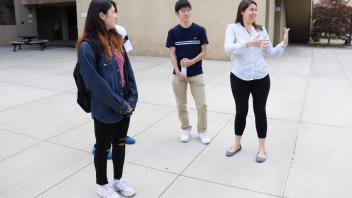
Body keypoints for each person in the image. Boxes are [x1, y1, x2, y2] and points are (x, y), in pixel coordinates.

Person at [77, 0, 137, 197]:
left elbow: (127, 71)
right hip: (106, 109)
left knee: (120, 144)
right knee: (103, 148)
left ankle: (118, 180)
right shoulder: (87, 46)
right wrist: (121, 105)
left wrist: (132, 100)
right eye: (113, 12)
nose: (116, 16)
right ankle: (102, 184)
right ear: (101, 15)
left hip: (125, 106)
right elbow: (95, 84)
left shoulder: (116, 38)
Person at [224, 0, 289, 163]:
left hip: (261, 77)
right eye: (251, 9)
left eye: (256, 10)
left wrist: (283, 44)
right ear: (242, 12)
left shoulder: (261, 30)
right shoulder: (232, 29)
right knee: (241, 111)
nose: (254, 12)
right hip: (239, 77)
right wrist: (249, 43)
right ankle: (237, 144)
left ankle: (261, 147)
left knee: (260, 111)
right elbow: (228, 48)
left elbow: (270, 53)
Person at [166, 0, 210, 144]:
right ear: (177, 13)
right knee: (181, 104)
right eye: (183, 10)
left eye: (188, 10)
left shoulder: (199, 30)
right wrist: (177, 71)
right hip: (179, 75)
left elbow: (204, 52)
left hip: (196, 73)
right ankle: (185, 128)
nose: (186, 13)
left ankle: (202, 130)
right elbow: (172, 53)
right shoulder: (173, 32)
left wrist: (192, 62)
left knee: (202, 104)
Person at [91, 24, 136, 160]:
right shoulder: (96, 38)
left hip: (122, 86)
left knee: (125, 114)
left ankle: (122, 135)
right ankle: (100, 146)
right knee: (105, 121)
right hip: (108, 88)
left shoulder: (121, 30)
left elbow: (126, 52)